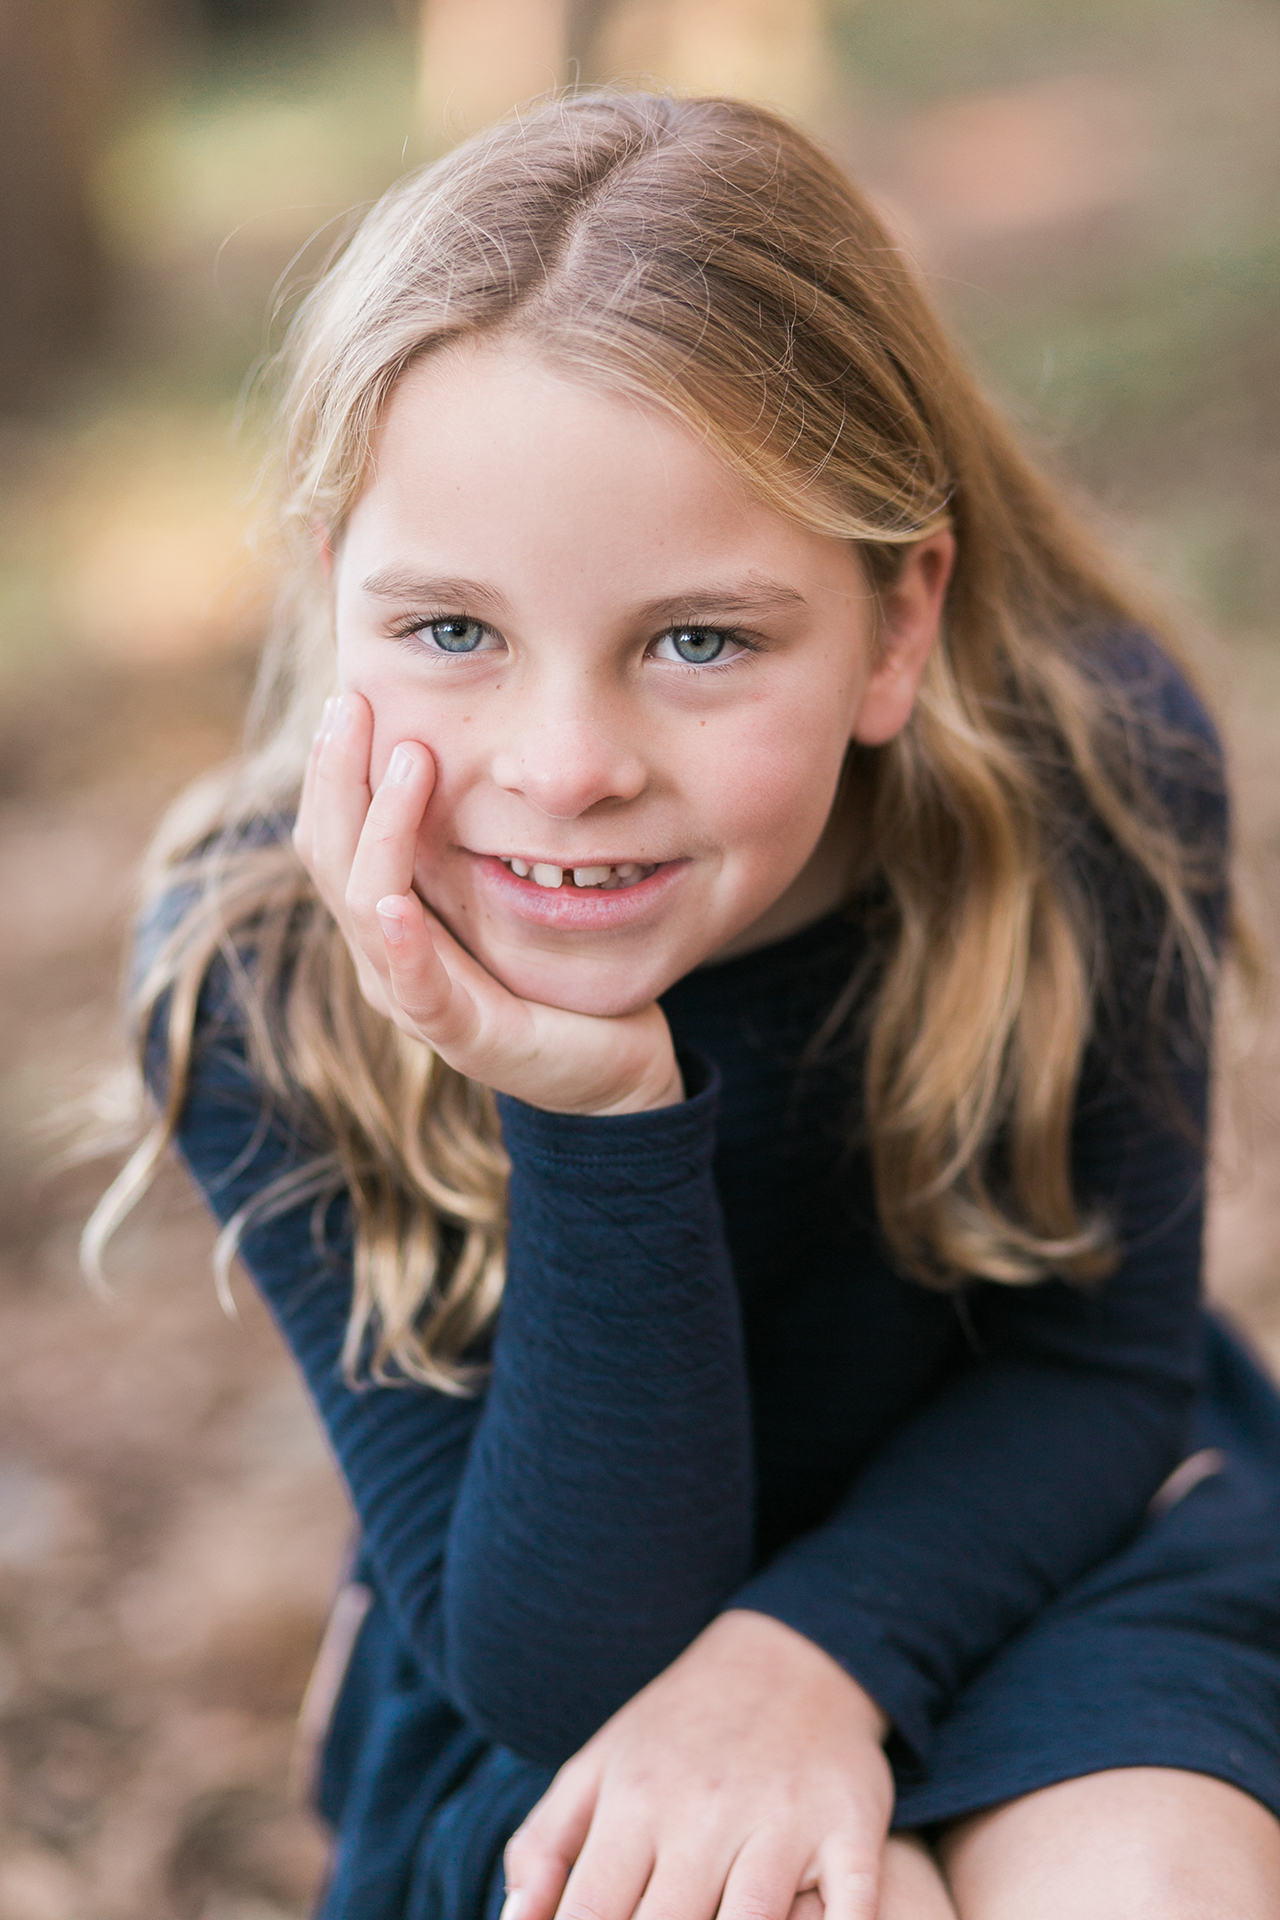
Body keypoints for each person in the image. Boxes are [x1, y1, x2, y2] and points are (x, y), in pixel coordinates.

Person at [90, 91, 1280, 1919]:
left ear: (896, 629)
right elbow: (565, 1663)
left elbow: (1093, 1373)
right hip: (550, 1628)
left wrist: (809, 1658)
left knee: (1155, 1884)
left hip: (1045, 1529)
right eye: (454, 632)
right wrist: (591, 1108)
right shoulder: (261, 967)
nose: (566, 770)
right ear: (337, 596)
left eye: (699, 641)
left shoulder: (1084, 778)